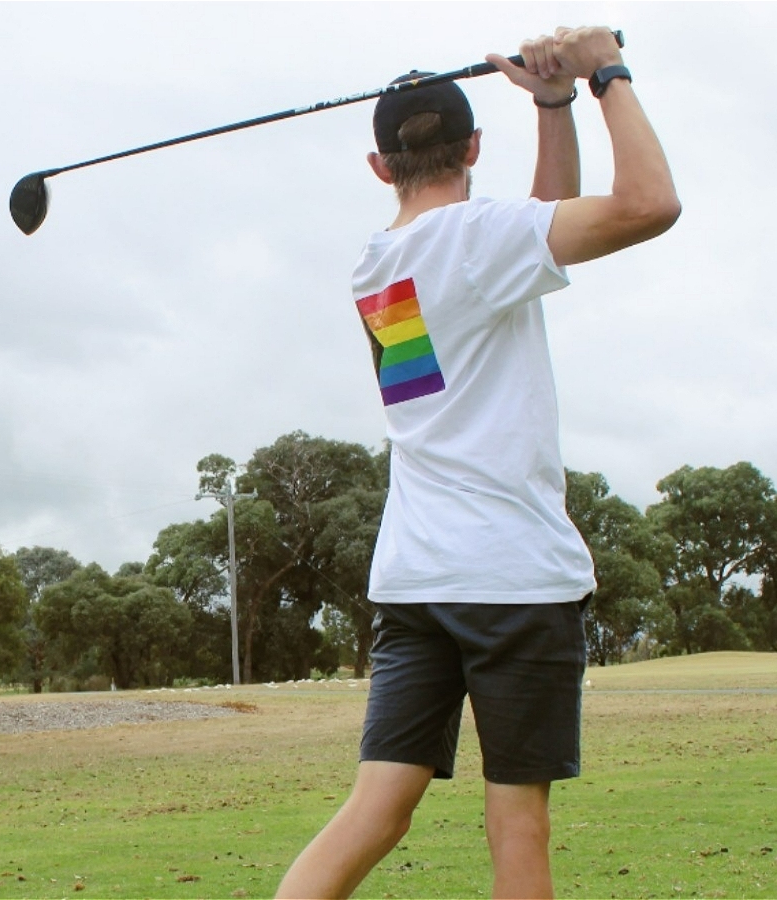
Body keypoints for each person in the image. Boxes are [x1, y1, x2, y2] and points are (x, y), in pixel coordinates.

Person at [276, 26, 679, 900]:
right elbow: (651, 204)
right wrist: (606, 70)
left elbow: (534, 231)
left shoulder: (377, 269)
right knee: (518, 827)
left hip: (417, 580)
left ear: (381, 167)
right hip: (513, 579)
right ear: (472, 149)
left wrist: (553, 105)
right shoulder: (482, 244)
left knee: (375, 810)